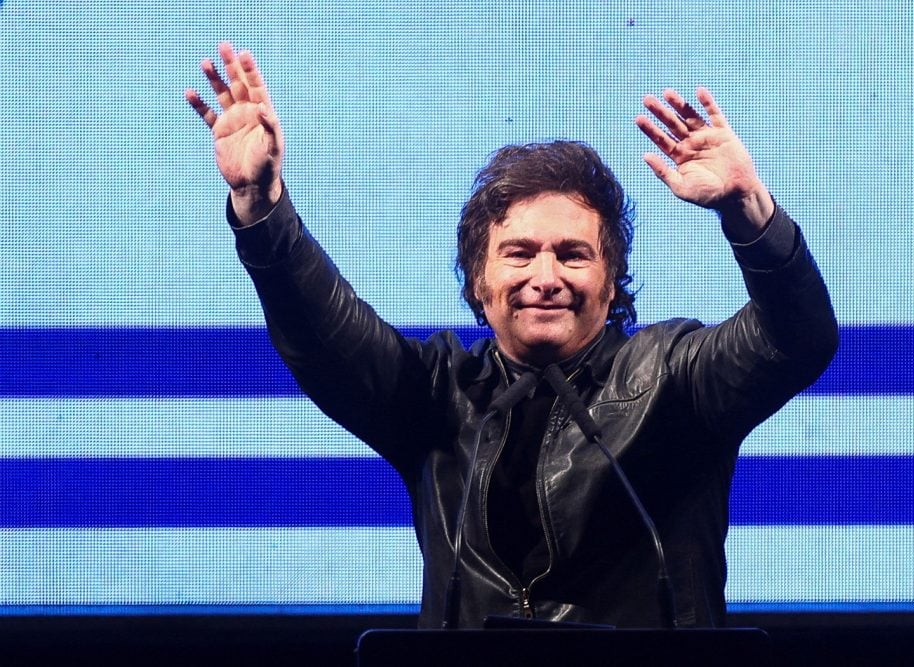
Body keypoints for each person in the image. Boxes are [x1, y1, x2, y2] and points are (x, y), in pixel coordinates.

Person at [186, 42, 838, 629]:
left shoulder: (676, 378)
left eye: (574, 254)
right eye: (520, 253)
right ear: (478, 279)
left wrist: (748, 210)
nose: (545, 276)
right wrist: (262, 204)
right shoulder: (435, 396)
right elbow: (323, 331)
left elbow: (798, 337)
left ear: (612, 283)